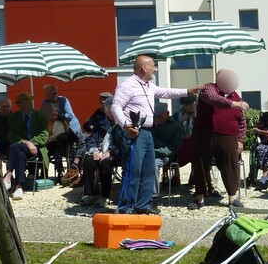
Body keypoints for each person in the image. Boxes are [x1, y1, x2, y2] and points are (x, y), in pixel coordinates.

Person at [111, 55, 199, 215]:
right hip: (133, 133)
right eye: (153, 65)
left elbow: (166, 92)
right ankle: (126, 207)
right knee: (134, 170)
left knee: (149, 170)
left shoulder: (148, 86)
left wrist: (188, 91)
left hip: (147, 133)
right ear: (144, 68)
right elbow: (116, 106)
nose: (155, 68)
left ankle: (142, 206)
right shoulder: (127, 85)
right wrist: (126, 126)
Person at [188, 68, 248, 210]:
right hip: (204, 133)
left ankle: (232, 198)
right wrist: (232, 104)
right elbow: (214, 99)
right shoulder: (209, 88)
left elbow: (242, 121)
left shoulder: (236, 96)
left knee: (230, 165)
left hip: (228, 136)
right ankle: (199, 197)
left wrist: (240, 139)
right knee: (201, 165)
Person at [3, 92, 49, 201]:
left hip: (36, 148)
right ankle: (19, 186)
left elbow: (44, 136)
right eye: (25, 102)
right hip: (21, 146)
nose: (28, 104)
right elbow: (11, 134)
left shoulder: (39, 117)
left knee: (15, 147)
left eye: (29, 101)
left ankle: (8, 175)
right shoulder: (13, 117)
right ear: (19, 104)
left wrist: (31, 143)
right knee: (19, 152)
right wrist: (26, 143)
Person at [79, 97, 122, 208]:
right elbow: (91, 139)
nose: (111, 115)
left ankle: (104, 196)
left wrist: (110, 151)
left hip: (116, 154)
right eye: (108, 112)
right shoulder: (101, 124)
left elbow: (123, 143)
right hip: (100, 151)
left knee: (105, 163)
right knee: (88, 161)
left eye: (112, 112)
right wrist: (94, 150)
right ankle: (88, 194)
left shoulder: (122, 124)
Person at [151, 101, 183, 196]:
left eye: (160, 116)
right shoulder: (150, 125)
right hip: (148, 153)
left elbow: (173, 148)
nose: (157, 119)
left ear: (167, 114)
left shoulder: (176, 127)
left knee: (153, 164)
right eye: (155, 117)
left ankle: (153, 196)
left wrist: (153, 153)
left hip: (165, 156)